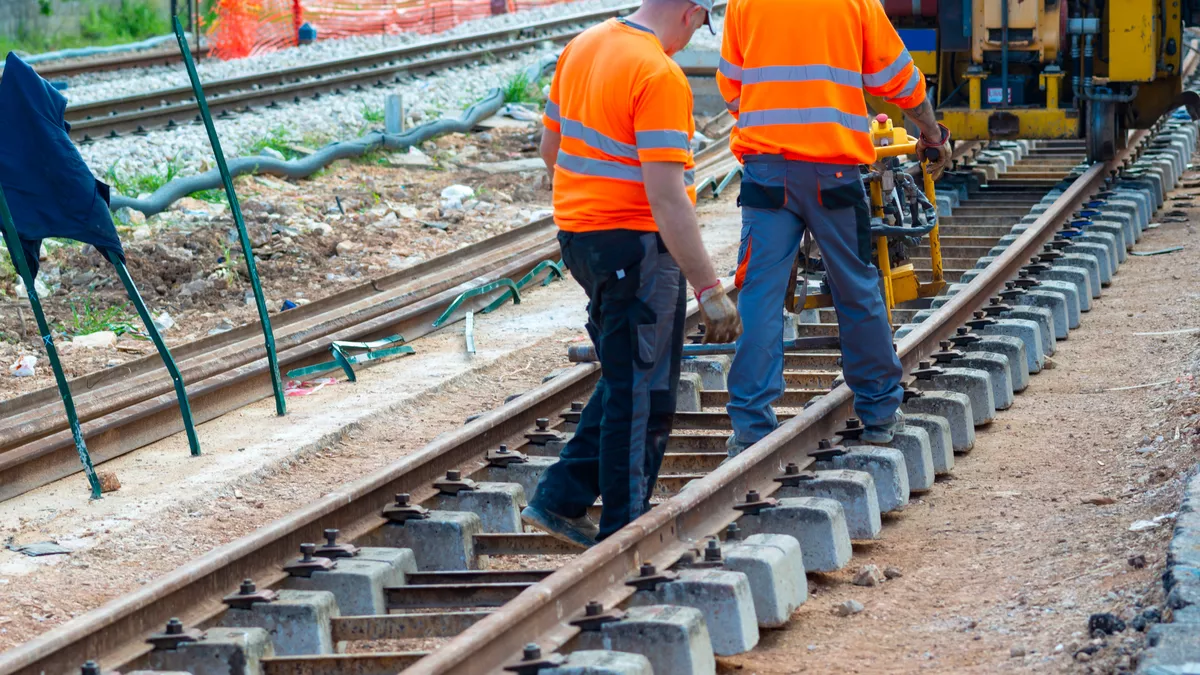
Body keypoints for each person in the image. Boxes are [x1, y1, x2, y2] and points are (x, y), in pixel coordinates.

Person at [520, 0, 742, 547]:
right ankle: (625, 532)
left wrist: (594, 201)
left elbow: (552, 149)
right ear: (691, 13)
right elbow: (668, 198)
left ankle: (559, 499)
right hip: (635, 248)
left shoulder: (585, 45)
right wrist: (709, 288)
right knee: (645, 391)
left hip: (580, 239)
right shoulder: (659, 74)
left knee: (626, 376)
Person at [717, 0, 951, 451]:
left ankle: (750, 429)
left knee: (759, 295)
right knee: (856, 287)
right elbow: (897, 77)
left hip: (767, 172)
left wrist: (776, 120)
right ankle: (880, 412)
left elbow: (732, 89)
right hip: (834, 173)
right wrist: (931, 132)